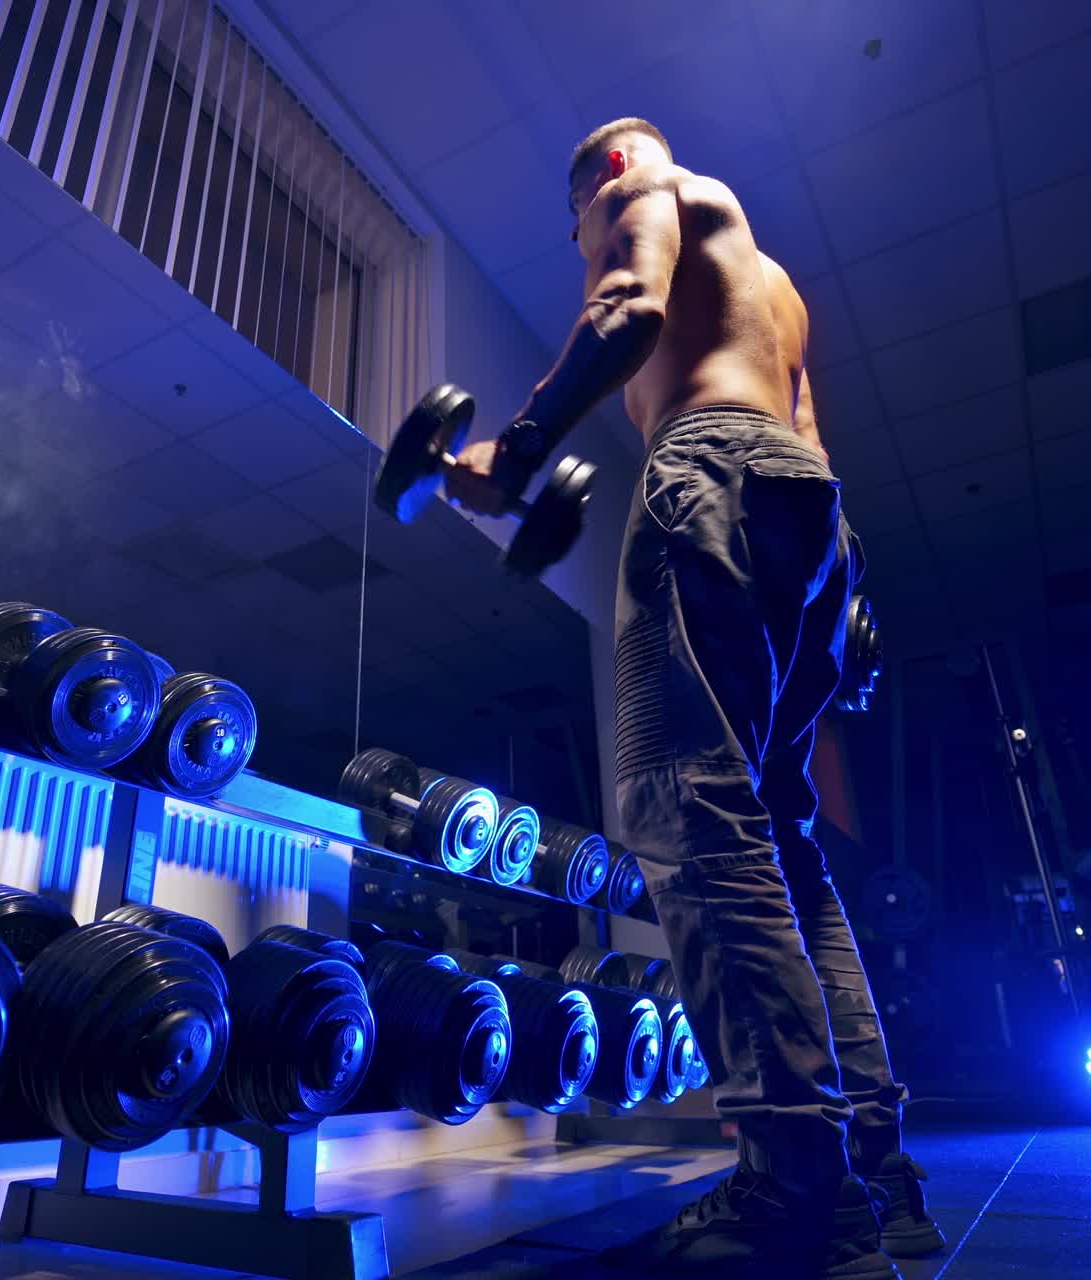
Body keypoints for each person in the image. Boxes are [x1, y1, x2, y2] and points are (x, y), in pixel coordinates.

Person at [445, 119, 944, 1277]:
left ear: (601, 176)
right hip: (803, 514)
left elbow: (625, 311)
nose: (579, 233)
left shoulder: (648, 186)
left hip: (705, 479)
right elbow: (807, 441)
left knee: (687, 810)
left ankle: (792, 1195)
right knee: (782, 841)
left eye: (574, 214)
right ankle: (877, 1175)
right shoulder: (769, 284)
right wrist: (840, 597)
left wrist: (511, 455)